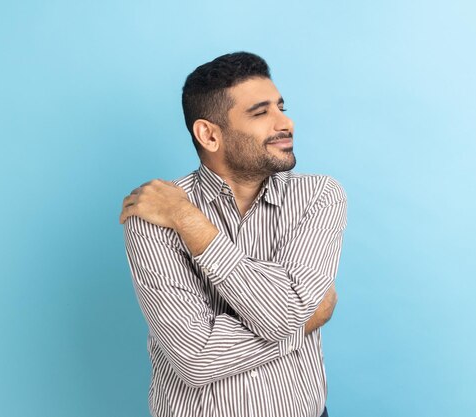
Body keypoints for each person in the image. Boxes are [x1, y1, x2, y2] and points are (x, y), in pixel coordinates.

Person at [120, 51, 347, 417]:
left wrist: (189, 223)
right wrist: (302, 323)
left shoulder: (318, 196)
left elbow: (281, 315)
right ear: (209, 134)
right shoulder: (153, 213)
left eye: (281, 107)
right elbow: (194, 358)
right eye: (261, 113)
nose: (284, 122)